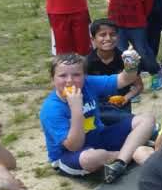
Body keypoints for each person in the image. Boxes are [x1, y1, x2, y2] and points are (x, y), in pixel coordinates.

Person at [39, 54, 154, 183]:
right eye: (62, 76)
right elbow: (74, 146)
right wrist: (76, 109)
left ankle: (120, 162)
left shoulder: (88, 83)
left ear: (85, 76)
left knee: (147, 120)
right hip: (70, 154)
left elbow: (124, 80)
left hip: (98, 136)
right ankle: (132, 152)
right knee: (90, 158)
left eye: (76, 75)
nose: (70, 80)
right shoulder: (51, 109)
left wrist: (131, 64)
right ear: (52, 79)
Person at [85, 19, 142, 125]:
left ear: (118, 37)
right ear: (93, 39)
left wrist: (125, 98)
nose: (108, 38)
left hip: (122, 106)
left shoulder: (127, 58)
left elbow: (138, 86)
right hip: (97, 107)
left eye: (112, 34)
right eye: (102, 35)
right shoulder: (86, 63)